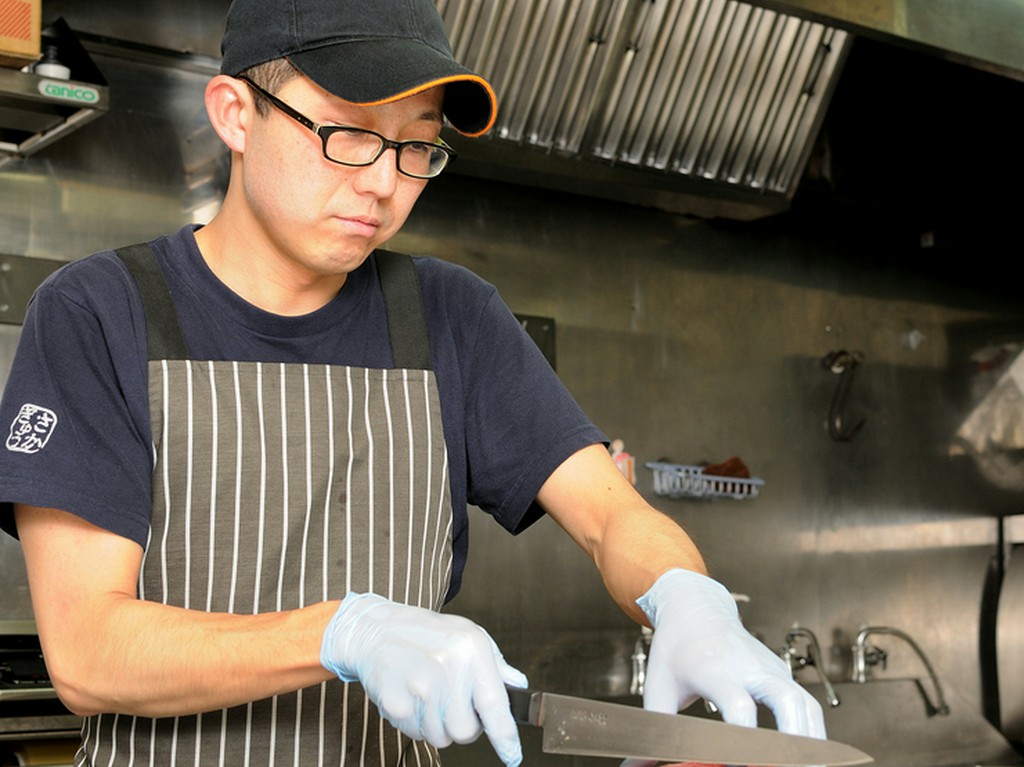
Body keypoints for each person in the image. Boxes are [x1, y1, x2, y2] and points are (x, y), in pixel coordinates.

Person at [0, 1, 825, 765]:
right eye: (351, 134)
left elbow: (611, 515)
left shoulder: (449, 314)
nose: (385, 182)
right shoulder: (99, 312)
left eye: (415, 145)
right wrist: (342, 632)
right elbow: (88, 650)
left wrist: (688, 596)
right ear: (235, 114)